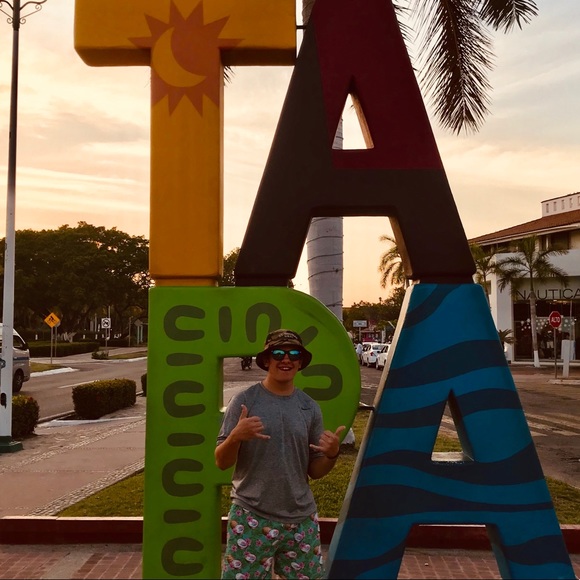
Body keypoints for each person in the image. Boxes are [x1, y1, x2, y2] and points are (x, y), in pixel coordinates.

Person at [216, 329, 345, 579]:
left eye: (293, 354)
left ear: (300, 362)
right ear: (266, 360)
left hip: (300, 519)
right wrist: (235, 437)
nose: (286, 359)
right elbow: (221, 461)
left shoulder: (309, 407)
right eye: (278, 353)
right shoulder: (244, 401)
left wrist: (331, 455)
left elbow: (315, 471)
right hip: (251, 515)